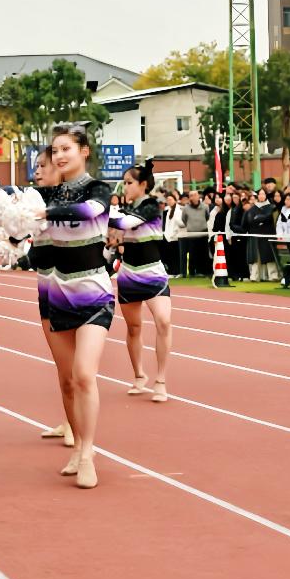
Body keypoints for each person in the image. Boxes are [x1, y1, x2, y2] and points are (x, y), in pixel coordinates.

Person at [39, 123, 115, 489]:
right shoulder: (46, 195)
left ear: (84, 151)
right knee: (68, 381)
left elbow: (88, 212)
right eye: (55, 150)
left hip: (94, 292)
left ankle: (87, 453)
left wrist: (44, 214)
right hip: (58, 294)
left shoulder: (99, 189)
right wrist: (16, 231)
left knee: (85, 374)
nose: (59, 156)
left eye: (66, 148)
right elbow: (38, 247)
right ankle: (78, 445)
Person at [112, 164, 173, 403]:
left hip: (153, 274)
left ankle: (161, 380)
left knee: (164, 321)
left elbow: (125, 224)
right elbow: (115, 233)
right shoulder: (124, 208)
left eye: (129, 183)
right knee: (133, 328)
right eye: (124, 183)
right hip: (128, 275)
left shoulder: (151, 206)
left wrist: (98, 213)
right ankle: (139, 374)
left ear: (143, 185)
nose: (125, 187)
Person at [31, 145, 75, 448]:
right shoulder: (33, 202)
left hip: (73, 289)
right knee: (62, 366)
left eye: (42, 166)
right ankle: (68, 420)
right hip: (46, 286)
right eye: (36, 166)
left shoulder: (73, 203)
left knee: (75, 369)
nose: (37, 171)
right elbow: (34, 254)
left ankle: (76, 426)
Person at [243, 189, 279, 282]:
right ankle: (254, 276)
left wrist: (259, 219)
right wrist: (261, 219)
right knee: (256, 256)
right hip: (256, 234)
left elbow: (270, 219)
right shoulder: (253, 208)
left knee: (270, 256)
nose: (262, 196)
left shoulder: (272, 207)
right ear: (257, 196)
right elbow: (250, 220)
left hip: (268, 234)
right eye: (260, 194)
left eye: (263, 194)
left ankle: (273, 275)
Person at [179, 190, 210, 277]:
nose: (193, 197)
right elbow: (184, 219)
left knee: (203, 253)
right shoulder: (186, 208)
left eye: (195, 195)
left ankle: (203, 271)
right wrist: (191, 226)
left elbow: (207, 217)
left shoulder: (205, 206)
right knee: (192, 253)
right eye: (191, 195)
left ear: (198, 196)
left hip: (203, 233)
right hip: (191, 234)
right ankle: (192, 272)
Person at [162, 191, 184, 278]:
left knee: (175, 256)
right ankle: (171, 272)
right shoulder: (168, 210)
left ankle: (177, 272)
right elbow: (167, 224)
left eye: (171, 199)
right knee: (170, 256)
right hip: (168, 236)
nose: (169, 201)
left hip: (175, 237)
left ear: (175, 200)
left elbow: (179, 224)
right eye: (168, 200)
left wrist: (174, 234)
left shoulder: (178, 210)